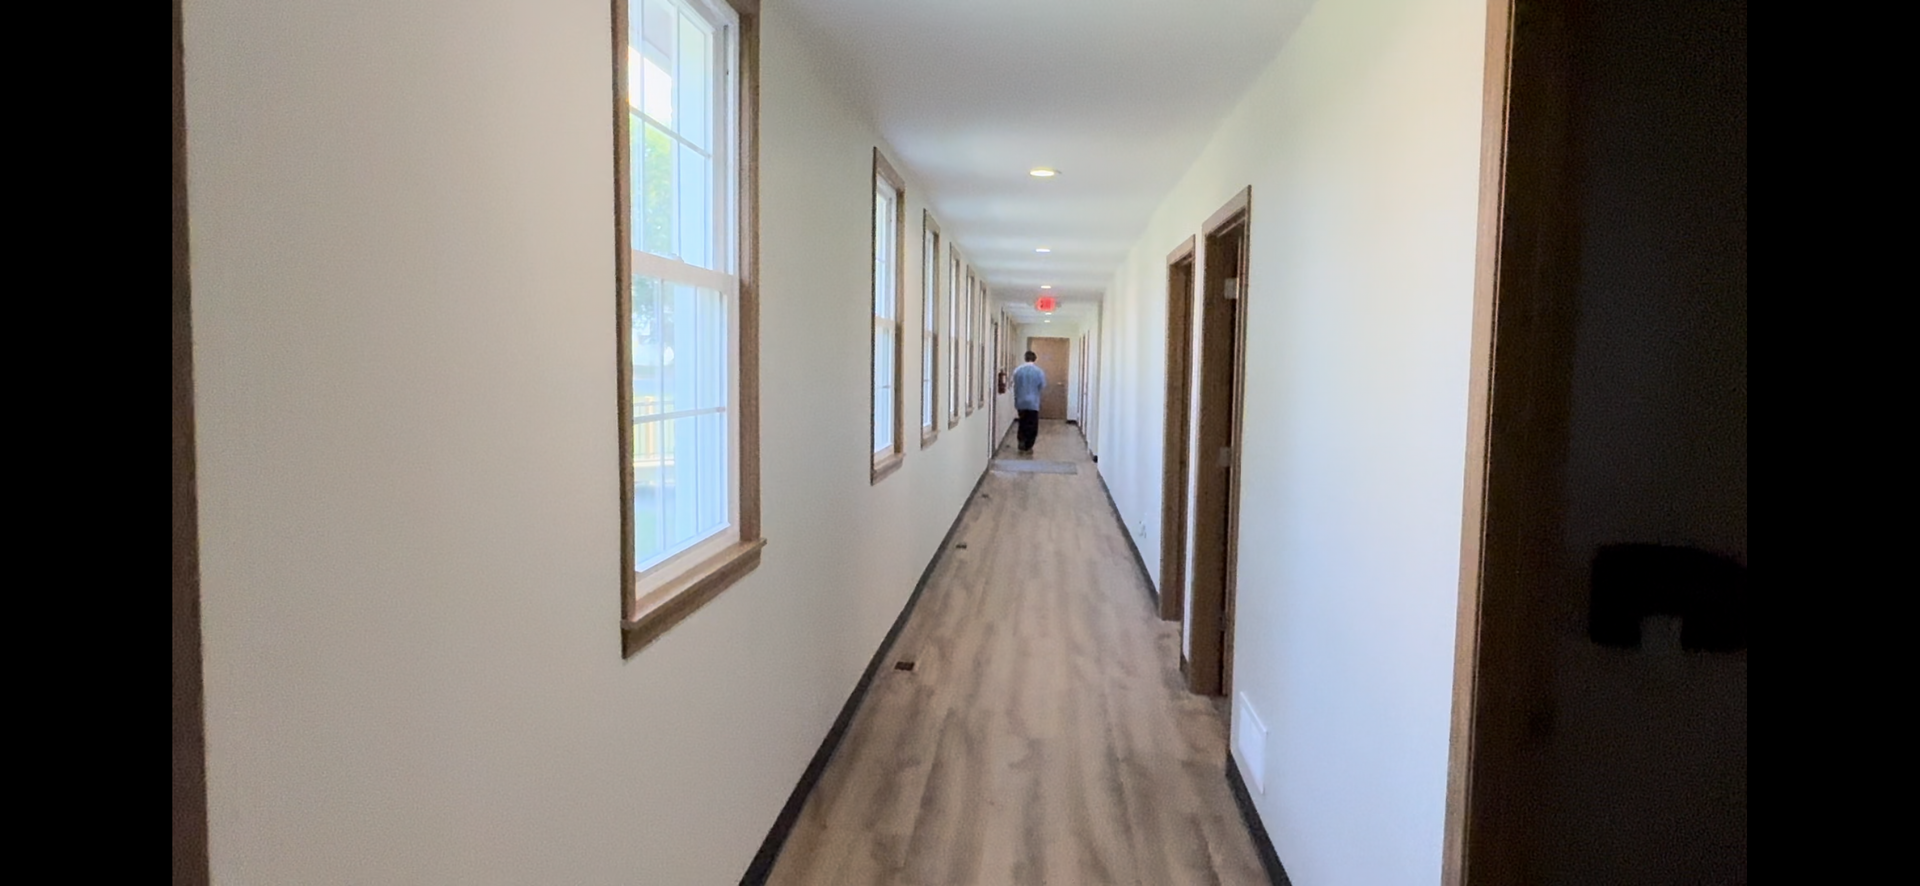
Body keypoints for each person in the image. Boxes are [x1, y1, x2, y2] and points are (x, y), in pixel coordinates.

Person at [1012, 350, 1046, 453]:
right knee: (1032, 424)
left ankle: (1021, 442)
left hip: (1020, 402)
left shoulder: (1017, 370)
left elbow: (1015, 384)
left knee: (1022, 422)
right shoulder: (1039, 372)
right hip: (1033, 402)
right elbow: (1042, 386)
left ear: (1025, 358)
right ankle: (1029, 445)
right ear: (1035, 359)